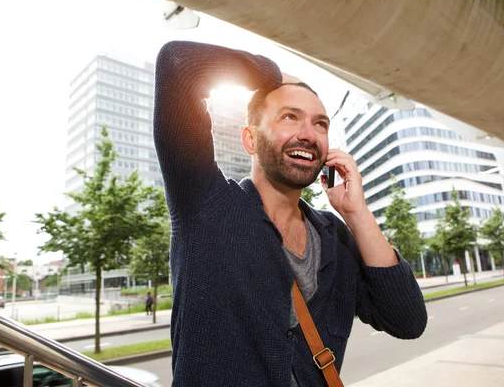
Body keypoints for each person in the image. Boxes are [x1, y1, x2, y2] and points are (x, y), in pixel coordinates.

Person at [154, 41, 427, 386]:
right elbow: (179, 63)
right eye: (289, 117)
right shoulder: (205, 204)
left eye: (321, 124)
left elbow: (408, 320)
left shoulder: (335, 237)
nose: (308, 135)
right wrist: (275, 75)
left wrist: (355, 213)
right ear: (250, 140)